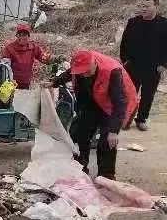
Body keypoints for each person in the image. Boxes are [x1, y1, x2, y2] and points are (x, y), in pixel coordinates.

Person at [48, 50, 138, 180]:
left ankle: (106, 175)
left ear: (94, 63)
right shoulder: (81, 67)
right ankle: (80, 166)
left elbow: (120, 103)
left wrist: (114, 131)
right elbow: (70, 73)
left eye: (87, 71)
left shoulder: (112, 71)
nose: (84, 75)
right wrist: (54, 82)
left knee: (106, 141)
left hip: (110, 106)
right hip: (92, 101)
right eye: (81, 72)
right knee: (80, 132)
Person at [120, 0, 167, 131]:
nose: (143, 9)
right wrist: (125, 60)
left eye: (147, 6)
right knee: (130, 93)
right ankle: (126, 119)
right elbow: (124, 43)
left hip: (153, 67)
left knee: (148, 95)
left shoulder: (163, 24)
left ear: (156, 7)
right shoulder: (133, 22)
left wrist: (163, 64)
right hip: (133, 65)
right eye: (142, 6)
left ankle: (141, 119)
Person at [1, 22, 49, 89]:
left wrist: (54, 59)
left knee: (24, 97)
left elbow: (43, 58)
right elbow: (5, 67)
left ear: (28, 36)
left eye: (24, 35)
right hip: (12, 82)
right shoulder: (9, 48)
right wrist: (7, 81)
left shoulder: (33, 47)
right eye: (19, 35)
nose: (22, 37)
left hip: (26, 81)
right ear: (16, 36)